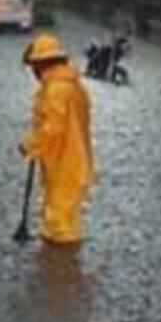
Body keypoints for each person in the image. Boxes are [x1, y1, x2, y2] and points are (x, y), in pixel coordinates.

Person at [19, 34, 95, 246]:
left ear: (41, 63)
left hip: (66, 161)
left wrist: (30, 145)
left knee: (61, 224)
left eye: (33, 65)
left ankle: (62, 262)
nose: (32, 71)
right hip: (67, 159)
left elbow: (53, 127)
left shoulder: (56, 89)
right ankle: (57, 254)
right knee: (61, 215)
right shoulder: (69, 85)